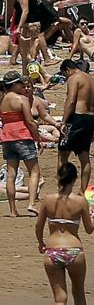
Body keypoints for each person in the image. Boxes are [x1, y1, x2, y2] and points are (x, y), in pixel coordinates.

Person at [34, 162, 94, 305]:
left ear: (58, 178)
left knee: (60, 298)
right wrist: (93, 216)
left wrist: (41, 243)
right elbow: (89, 230)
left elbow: (38, 226)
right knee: (79, 293)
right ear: (75, 179)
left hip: (52, 251)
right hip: (74, 251)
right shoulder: (80, 201)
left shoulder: (48, 200)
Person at [2, 71, 44, 217]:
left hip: (7, 137)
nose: (22, 86)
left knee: (11, 174)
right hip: (22, 135)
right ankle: (31, 203)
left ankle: (13, 210)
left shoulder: (2, 100)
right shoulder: (22, 99)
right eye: (20, 83)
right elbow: (30, 122)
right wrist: (38, 138)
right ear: (14, 85)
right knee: (34, 171)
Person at [58, 60, 94, 194]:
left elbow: (71, 101)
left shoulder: (73, 78)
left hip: (76, 117)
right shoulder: (92, 80)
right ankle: (83, 190)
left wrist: (63, 121)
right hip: (90, 119)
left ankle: (63, 189)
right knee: (84, 157)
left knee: (62, 155)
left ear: (67, 70)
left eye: (65, 75)